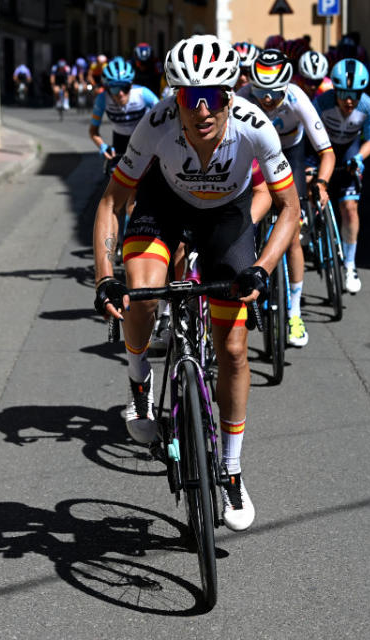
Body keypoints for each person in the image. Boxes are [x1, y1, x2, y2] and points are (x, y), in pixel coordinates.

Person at [93, 35, 299, 531]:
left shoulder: (255, 127)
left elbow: (289, 208)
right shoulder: (156, 123)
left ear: (231, 95)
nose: (202, 109)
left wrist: (261, 268)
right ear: (174, 97)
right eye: (190, 97)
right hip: (163, 205)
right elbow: (111, 203)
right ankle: (140, 382)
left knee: (232, 349)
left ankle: (230, 469)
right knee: (142, 294)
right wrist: (104, 279)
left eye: (214, 97)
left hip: (225, 215)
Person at [238, 48, 335, 347]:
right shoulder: (242, 97)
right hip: (255, 154)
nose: (266, 99)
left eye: (274, 93)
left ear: (287, 87)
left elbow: (327, 153)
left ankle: (294, 312)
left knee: (292, 235)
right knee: (244, 224)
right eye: (260, 91)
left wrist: (320, 182)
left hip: (289, 154)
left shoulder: (297, 99)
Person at [314, 58, 370, 294]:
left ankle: (350, 264)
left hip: (350, 152)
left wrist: (360, 157)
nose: (349, 100)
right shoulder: (321, 103)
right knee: (314, 192)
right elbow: (308, 134)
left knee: (350, 209)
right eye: (343, 93)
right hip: (323, 150)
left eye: (355, 94)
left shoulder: (368, 107)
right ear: (335, 90)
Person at [89, 57, 159, 162]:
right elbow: (93, 131)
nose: (120, 93)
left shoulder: (143, 93)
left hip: (145, 138)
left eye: (125, 87)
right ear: (107, 88)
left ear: (131, 85)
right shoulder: (102, 99)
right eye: (115, 88)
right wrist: (102, 146)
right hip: (120, 140)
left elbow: (167, 116)